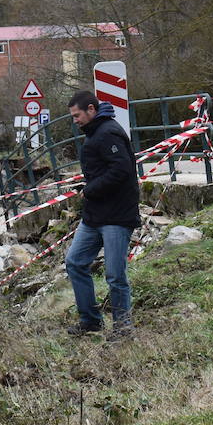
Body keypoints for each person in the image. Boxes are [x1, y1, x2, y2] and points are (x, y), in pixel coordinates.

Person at [63, 89, 140, 338]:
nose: (75, 121)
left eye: (77, 116)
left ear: (91, 109)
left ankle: (123, 327)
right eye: (73, 117)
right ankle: (91, 321)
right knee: (75, 262)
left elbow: (122, 169)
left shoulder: (108, 133)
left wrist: (90, 190)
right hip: (95, 215)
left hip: (117, 216)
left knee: (115, 274)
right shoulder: (96, 133)